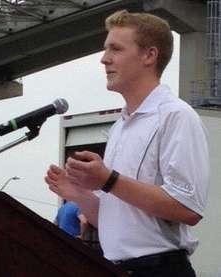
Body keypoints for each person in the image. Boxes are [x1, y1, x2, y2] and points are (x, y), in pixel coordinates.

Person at [45, 10, 209, 277]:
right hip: (117, 268)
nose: (104, 59)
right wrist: (77, 194)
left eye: (116, 49)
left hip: (160, 270)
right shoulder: (120, 126)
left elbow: (188, 207)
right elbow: (118, 222)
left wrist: (108, 180)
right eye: (105, 49)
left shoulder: (176, 116)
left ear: (149, 55)